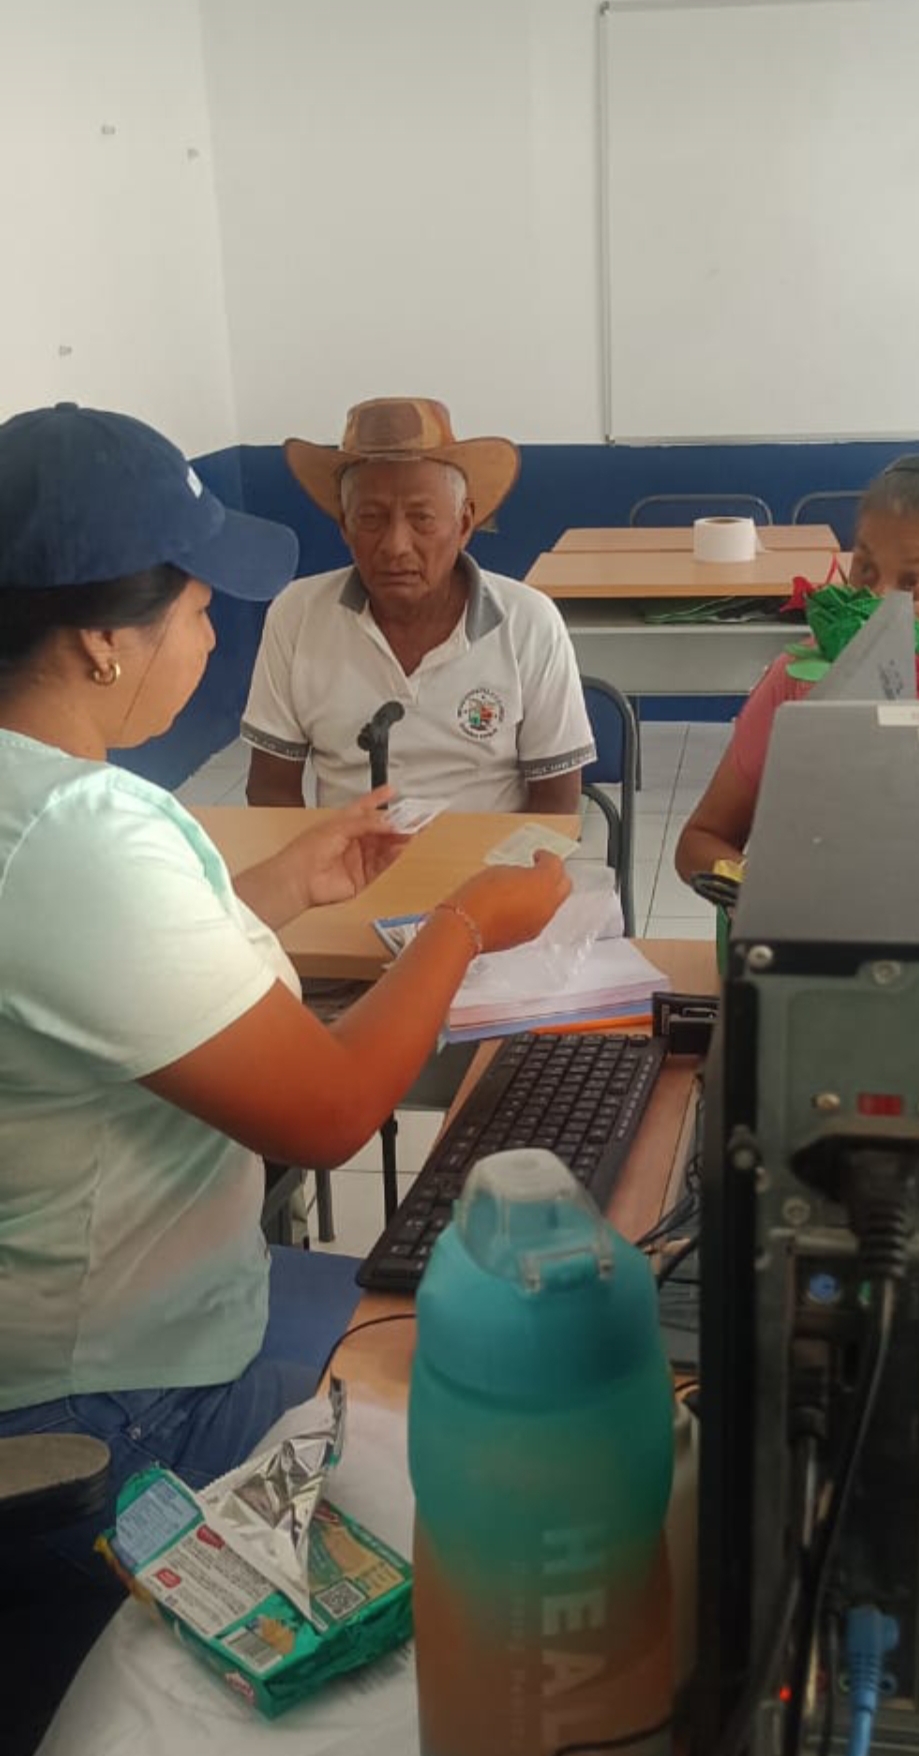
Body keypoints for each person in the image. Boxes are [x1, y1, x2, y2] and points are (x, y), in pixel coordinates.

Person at [0, 403, 570, 1521]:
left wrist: (275, 889)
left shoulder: (37, 809)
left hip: (84, 1336)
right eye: (198, 609)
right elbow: (328, 1115)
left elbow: (85, 976)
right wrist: (462, 923)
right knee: (520, 1451)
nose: (213, 639)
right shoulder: (84, 831)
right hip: (115, 1403)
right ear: (101, 640)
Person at [676, 454, 919, 881]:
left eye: (915, 583)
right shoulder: (800, 679)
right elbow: (701, 840)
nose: (878, 600)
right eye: (865, 569)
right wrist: (762, 889)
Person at [241, 396, 596, 812]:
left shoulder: (529, 622)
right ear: (344, 526)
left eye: (421, 518)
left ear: (464, 524)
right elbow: (270, 789)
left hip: (489, 851)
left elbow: (556, 799)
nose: (395, 546)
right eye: (370, 518)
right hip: (346, 851)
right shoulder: (297, 615)